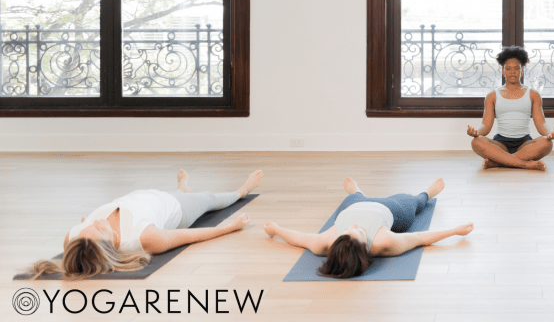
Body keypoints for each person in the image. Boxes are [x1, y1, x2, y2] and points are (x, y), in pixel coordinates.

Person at [30, 169, 262, 280]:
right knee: (210, 200)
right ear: (110, 246)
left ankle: (183, 187)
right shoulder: (145, 238)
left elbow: (86, 225)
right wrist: (230, 227)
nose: (98, 222)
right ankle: (242, 190)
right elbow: (189, 236)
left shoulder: (73, 238)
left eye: (89, 228)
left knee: (181, 193)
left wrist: (88, 225)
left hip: (143, 198)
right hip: (175, 207)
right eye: (101, 230)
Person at [263, 177, 473, 278]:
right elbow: (419, 237)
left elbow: (298, 237)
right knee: (413, 203)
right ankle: (426, 193)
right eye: (360, 231)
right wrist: (454, 230)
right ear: (366, 247)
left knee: (352, 201)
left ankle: (357, 193)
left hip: (352, 206)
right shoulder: (384, 242)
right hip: (389, 210)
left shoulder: (324, 242)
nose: (355, 225)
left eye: (348, 230)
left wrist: (276, 229)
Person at [466, 46, 554, 170]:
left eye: (516, 68)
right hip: (500, 142)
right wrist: (476, 132)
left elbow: (541, 123)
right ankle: (524, 164)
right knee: (476, 142)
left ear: (522, 70)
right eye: (508, 68)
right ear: (503, 71)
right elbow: (486, 125)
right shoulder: (492, 96)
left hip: (525, 143)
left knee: (547, 143)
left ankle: (499, 161)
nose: (512, 72)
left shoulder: (533, 95)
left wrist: (550, 133)